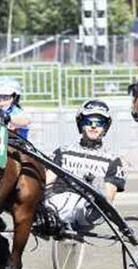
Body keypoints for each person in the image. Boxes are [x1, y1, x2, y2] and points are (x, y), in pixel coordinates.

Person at [45, 99, 127, 232]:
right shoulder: (63, 152)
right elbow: (46, 181)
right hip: (55, 203)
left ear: (105, 127)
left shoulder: (113, 161)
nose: (94, 126)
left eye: (99, 123)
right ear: (81, 124)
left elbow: (108, 198)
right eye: (89, 122)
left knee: (96, 202)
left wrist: (96, 184)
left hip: (85, 209)